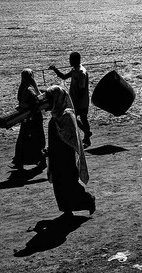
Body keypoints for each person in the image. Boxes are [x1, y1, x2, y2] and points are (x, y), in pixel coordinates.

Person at [44, 85, 96, 218]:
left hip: (66, 157)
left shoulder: (67, 116)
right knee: (58, 185)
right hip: (56, 156)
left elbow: (71, 137)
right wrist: (49, 150)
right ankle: (66, 210)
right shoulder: (55, 117)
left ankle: (88, 200)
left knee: (69, 184)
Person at [49, 52, 92, 147]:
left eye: (71, 59)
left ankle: (87, 136)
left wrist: (76, 102)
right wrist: (55, 69)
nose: (69, 61)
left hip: (81, 101)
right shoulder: (74, 70)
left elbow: (82, 89)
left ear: (76, 60)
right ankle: (87, 134)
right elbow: (64, 77)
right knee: (77, 118)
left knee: (81, 119)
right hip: (75, 99)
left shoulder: (81, 72)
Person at [12, 69, 46, 171]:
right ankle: (39, 160)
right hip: (33, 118)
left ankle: (21, 161)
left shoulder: (23, 88)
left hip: (28, 118)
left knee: (25, 139)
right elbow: (36, 103)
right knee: (37, 139)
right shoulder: (30, 89)